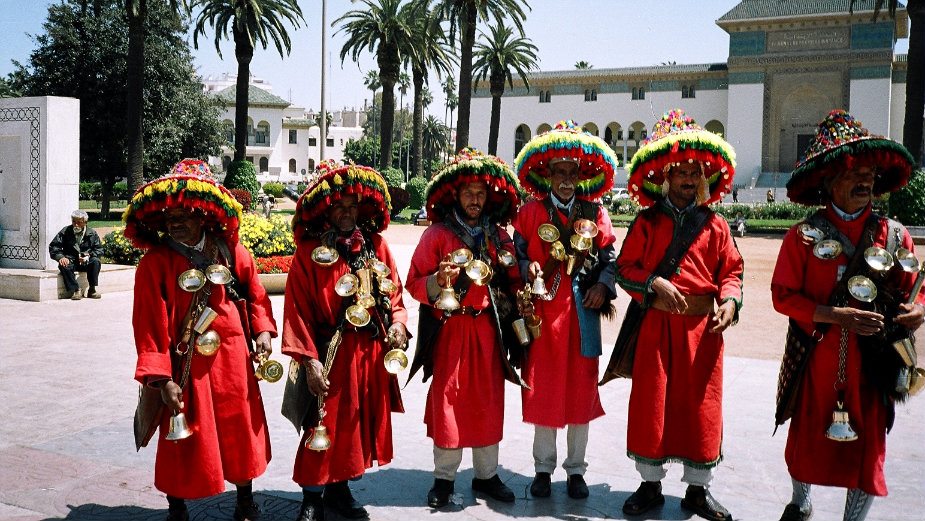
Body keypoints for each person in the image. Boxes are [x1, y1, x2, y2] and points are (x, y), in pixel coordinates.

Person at [770, 110, 924, 521]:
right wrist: (835, 315)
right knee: (806, 436)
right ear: (829, 182)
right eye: (855, 174)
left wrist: (915, 311)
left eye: (871, 175)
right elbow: (782, 296)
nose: (866, 183)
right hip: (816, 359)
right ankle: (801, 503)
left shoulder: (893, 235)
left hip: (872, 364)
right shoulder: (803, 237)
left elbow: (914, 288)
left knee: (868, 444)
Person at [603, 110, 743, 521]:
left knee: (701, 406)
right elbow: (625, 268)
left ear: (703, 178)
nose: (686, 178)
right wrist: (652, 285)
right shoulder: (646, 223)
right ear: (664, 176)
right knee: (653, 403)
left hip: (703, 332)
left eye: (693, 171)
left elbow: (731, 271)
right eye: (679, 170)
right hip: (657, 328)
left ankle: (699, 492)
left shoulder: (717, 226)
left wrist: (730, 303)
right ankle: (650, 486)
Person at [126, 159, 278, 521]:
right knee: (182, 434)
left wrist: (262, 333)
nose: (175, 220)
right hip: (184, 366)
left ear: (202, 213)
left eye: (184, 213)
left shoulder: (230, 251)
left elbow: (256, 296)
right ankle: (176, 506)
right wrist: (160, 378)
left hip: (233, 362)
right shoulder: (154, 264)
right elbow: (148, 325)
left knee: (240, 429)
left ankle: (245, 499)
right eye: (169, 215)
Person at [280, 161, 408, 521]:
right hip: (328, 353)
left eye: (353, 206)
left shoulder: (376, 247)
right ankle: (311, 497)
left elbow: (395, 297)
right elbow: (297, 312)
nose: (348, 214)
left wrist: (398, 325)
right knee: (322, 424)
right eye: (340, 207)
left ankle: (339, 488)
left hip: (368, 354)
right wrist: (309, 360)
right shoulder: (308, 253)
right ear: (326, 209)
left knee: (352, 427)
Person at [405, 149, 527, 508]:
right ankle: (444, 480)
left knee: (488, 401)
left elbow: (514, 276)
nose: (475, 200)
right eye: (468, 193)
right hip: (452, 330)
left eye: (480, 193)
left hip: (489, 330)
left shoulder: (499, 236)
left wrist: (522, 289)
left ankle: (487, 476)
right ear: (455, 195)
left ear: (489, 196)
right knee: (448, 401)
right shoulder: (438, 236)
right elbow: (413, 282)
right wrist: (437, 281)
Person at [511, 120, 618, 499]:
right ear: (548, 174)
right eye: (560, 172)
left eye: (573, 173)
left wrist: (603, 286)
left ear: (582, 175)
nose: (567, 179)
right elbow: (516, 254)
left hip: (582, 317)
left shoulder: (596, 212)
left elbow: (609, 257)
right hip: (543, 318)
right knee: (543, 391)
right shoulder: (529, 213)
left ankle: (576, 470)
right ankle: (543, 469)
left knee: (580, 394)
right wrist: (528, 268)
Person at [49, 209, 103, 300]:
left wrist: (88, 256)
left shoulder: (92, 233)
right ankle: (76, 290)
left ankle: (92, 289)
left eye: (79, 222)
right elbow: (54, 246)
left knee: (96, 261)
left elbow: (99, 250)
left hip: (86, 261)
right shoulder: (65, 231)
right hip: (71, 260)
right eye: (74, 221)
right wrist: (61, 257)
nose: (76, 224)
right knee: (63, 264)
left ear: (85, 222)